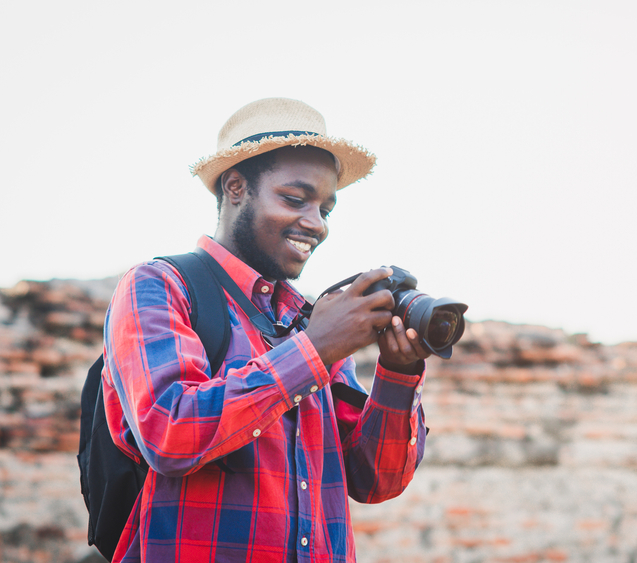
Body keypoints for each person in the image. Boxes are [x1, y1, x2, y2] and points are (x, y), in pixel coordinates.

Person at [101, 97, 429, 562]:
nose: (316, 225)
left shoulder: (308, 317)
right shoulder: (159, 285)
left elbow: (374, 480)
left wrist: (398, 373)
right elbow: (168, 431)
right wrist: (313, 350)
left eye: (326, 209)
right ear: (236, 187)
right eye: (295, 199)